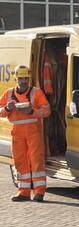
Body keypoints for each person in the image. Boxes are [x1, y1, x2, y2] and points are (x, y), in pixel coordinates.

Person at [1, 65, 51, 201]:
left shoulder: (37, 92)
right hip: (17, 133)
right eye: (21, 78)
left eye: (26, 78)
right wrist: (7, 108)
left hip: (34, 132)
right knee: (19, 162)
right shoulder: (9, 93)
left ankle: (39, 192)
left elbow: (46, 110)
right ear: (16, 79)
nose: (24, 81)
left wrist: (32, 112)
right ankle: (23, 192)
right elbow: (0, 112)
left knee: (36, 161)